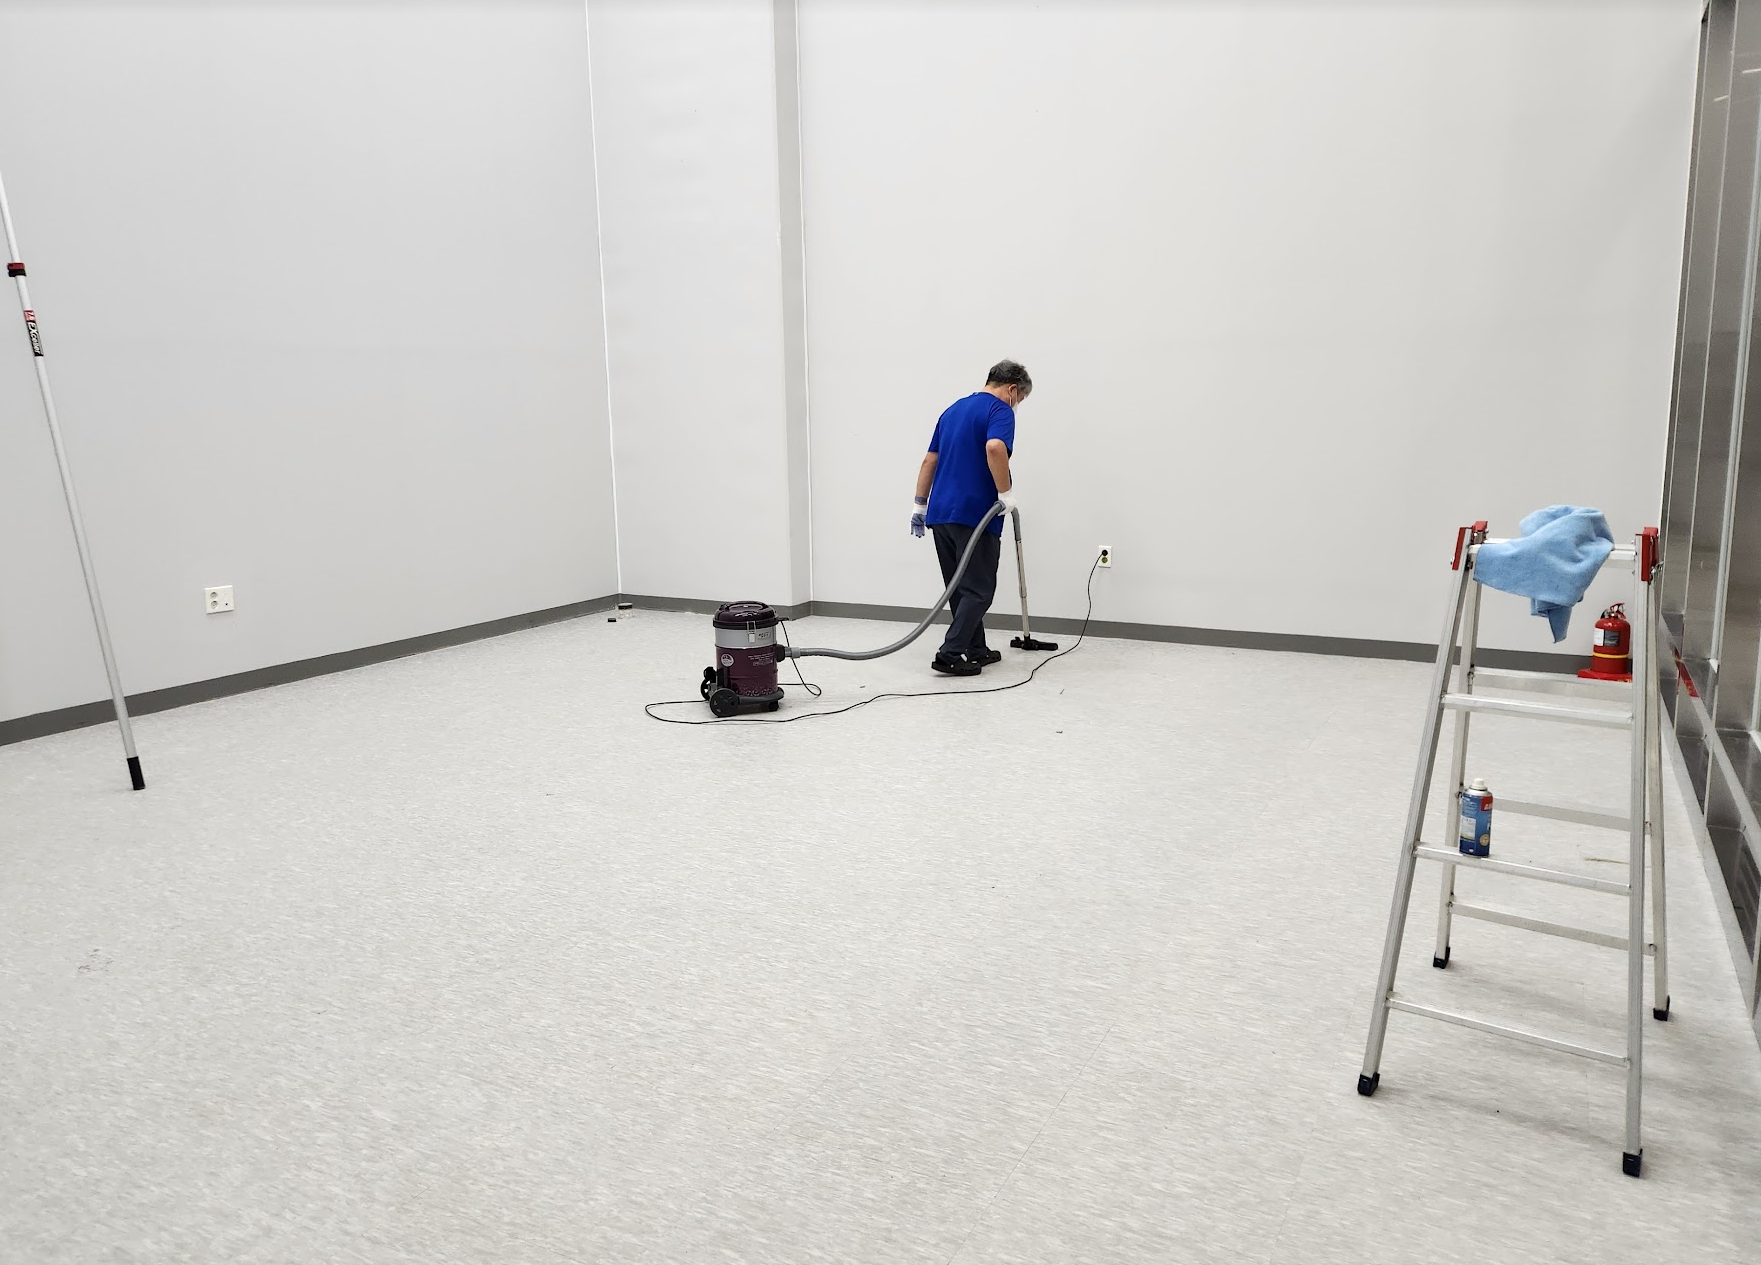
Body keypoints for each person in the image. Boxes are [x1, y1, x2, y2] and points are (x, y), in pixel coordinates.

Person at [910, 360, 1030, 675]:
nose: (1016, 405)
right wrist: (1004, 493)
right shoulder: (999, 410)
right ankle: (949, 655)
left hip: (940, 513)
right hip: (976, 513)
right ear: (1012, 389)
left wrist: (919, 505)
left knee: (960, 588)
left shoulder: (952, 411)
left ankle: (976, 649)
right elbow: (995, 447)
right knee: (979, 591)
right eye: (1019, 399)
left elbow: (929, 460)